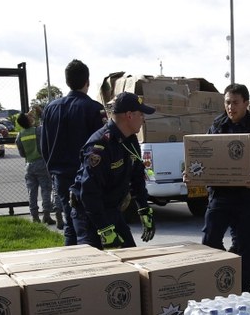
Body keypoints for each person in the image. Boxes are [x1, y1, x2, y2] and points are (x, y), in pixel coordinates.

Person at [198, 83, 250, 293]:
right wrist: (193, 172)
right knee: (209, 241)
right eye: (227, 102)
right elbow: (203, 155)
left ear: (246, 103)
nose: (230, 107)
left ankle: (243, 291)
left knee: (246, 246)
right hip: (221, 195)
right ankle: (217, 283)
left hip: (248, 197)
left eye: (235, 103)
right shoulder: (217, 126)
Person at [68, 92, 155, 250]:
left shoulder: (130, 140)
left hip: (111, 209)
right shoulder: (100, 146)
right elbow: (89, 192)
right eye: (141, 114)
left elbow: (137, 176)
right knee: (96, 262)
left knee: (130, 255)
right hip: (89, 215)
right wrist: (105, 229)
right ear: (129, 115)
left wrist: (144, 208)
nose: (143, 119)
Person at [40, 59, 105, 245]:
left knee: (71, 221)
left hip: (60, 176)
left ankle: (71, 257)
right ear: (87, 81)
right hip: (86, 177)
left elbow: (44, 145)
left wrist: (52, 170)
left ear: (67, 81)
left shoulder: (51, 108)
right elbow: (101, 148)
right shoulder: (94, 109)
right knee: (88, 226)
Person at [15, 112, 55, 225]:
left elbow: (22, 154)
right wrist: (37, 115)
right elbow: (47, 127)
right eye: (29, 116)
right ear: (28, 120)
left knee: (32, 192)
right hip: (41, 163)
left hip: (29, 165)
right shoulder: (38, 130)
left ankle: (34, 217)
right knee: (46, 190)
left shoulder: (20, 135)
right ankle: (46, 215)